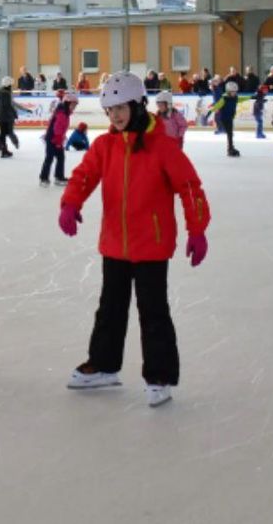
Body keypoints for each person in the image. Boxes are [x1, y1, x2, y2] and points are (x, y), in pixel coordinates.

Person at [58, 72, 210, 408]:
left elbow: (189, 187)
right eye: (110, 110)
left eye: (121, 107)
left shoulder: (162, 147)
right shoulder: (105, 145)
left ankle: (159, 376)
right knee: (110, 308)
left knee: (153, 311)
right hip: (115, 243)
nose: (115, 116)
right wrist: (70, 202)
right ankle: (104, 365)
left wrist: (196, 228)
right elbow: (84, 176)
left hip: (151, 245)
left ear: (138, 104)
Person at [39, 90, 74, 187]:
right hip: (52, 138)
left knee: (60, 157)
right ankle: (43, 178)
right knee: (49, 158)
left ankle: (59, 177)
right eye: (73, 105)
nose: (74, 108)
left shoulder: (65, 112)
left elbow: (62, 128)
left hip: (57, 138)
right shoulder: (62, 113)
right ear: (67, 104)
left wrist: (62, 137)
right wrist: (58, 140)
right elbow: (57, 128)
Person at [0, 76, 26, 158]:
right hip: (5, 116)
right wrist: (14, 113)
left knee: (3, 133)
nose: (12, 86)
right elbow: (8, 105)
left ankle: (4, 151)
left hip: (2, 115)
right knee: (4, 133)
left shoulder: (2, 91)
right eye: (11, 84)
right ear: (8, 85)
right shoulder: (5, 93)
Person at [210, 81, 249, 157]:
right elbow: (217, 105)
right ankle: (230, 148)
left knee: (230, 134)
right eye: (233, 92)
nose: (234, 93)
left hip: (230, 118)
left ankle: (230, 148)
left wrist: (254, 97)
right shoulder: (224, 99)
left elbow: (243, 98)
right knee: (230, 133)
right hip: (224, 118)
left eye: (235, 92)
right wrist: (209, 112)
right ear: (228, 92)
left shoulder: (235, 98)